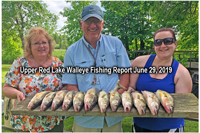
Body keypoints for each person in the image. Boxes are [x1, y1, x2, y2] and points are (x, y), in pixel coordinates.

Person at [62, 5, 131, 132]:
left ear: (102, 23)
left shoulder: (116, 43)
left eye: (96, 21)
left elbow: (125, 73)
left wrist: (117, 97)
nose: (93, 26)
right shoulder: (72, 51)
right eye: (88, 21)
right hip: (85, 118)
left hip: (112, 117)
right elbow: (71, 84)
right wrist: (84, 104)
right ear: (80, 24)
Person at [128, 28, 192, 132]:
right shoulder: (139, 62)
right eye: (158, 42)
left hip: (169, 127)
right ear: (154, 46)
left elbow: (181, 105)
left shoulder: (182, 73)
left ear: (175, 43)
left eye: (168, 41)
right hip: (140, 125)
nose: (163, 45)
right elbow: (131, 87)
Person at [3, 27, 65, 132]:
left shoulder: (57, 63)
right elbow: (6, 88)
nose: (41, 46)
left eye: (44, 42)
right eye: (36, 43)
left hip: (53, 120)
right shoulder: (20, 63)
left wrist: (61, 93)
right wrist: (17, 93)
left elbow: (68, 85)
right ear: (29, 46)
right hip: (26, 122)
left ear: (49, 45)